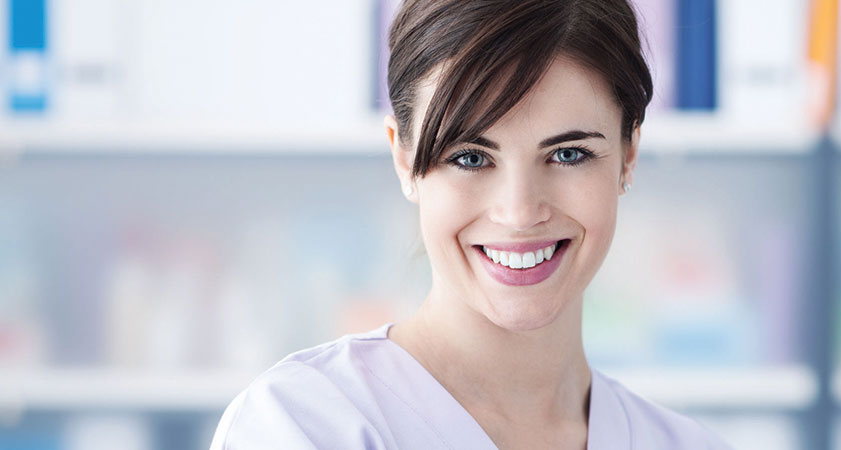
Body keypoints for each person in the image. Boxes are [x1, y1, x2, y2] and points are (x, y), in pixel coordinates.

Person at [209, 0, 733, 448]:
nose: (520, 211)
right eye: (470, 158)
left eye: (569, 154)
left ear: (627, 155)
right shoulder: (304, 425)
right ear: (403, 159)